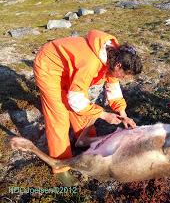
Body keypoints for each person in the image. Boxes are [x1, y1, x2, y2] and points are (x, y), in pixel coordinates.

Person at [33, 29, 142, 186]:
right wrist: (104, 115)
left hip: (70, 71)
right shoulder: (91, 62)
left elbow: (113, 86)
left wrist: (123, 113)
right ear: (118, 66)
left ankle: (86, 141)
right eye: (124, 75)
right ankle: (60, 165)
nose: (123, 79)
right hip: (49, 66)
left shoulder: (113, 56)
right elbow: (76, 100)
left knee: (82, 109)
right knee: (59, 117)